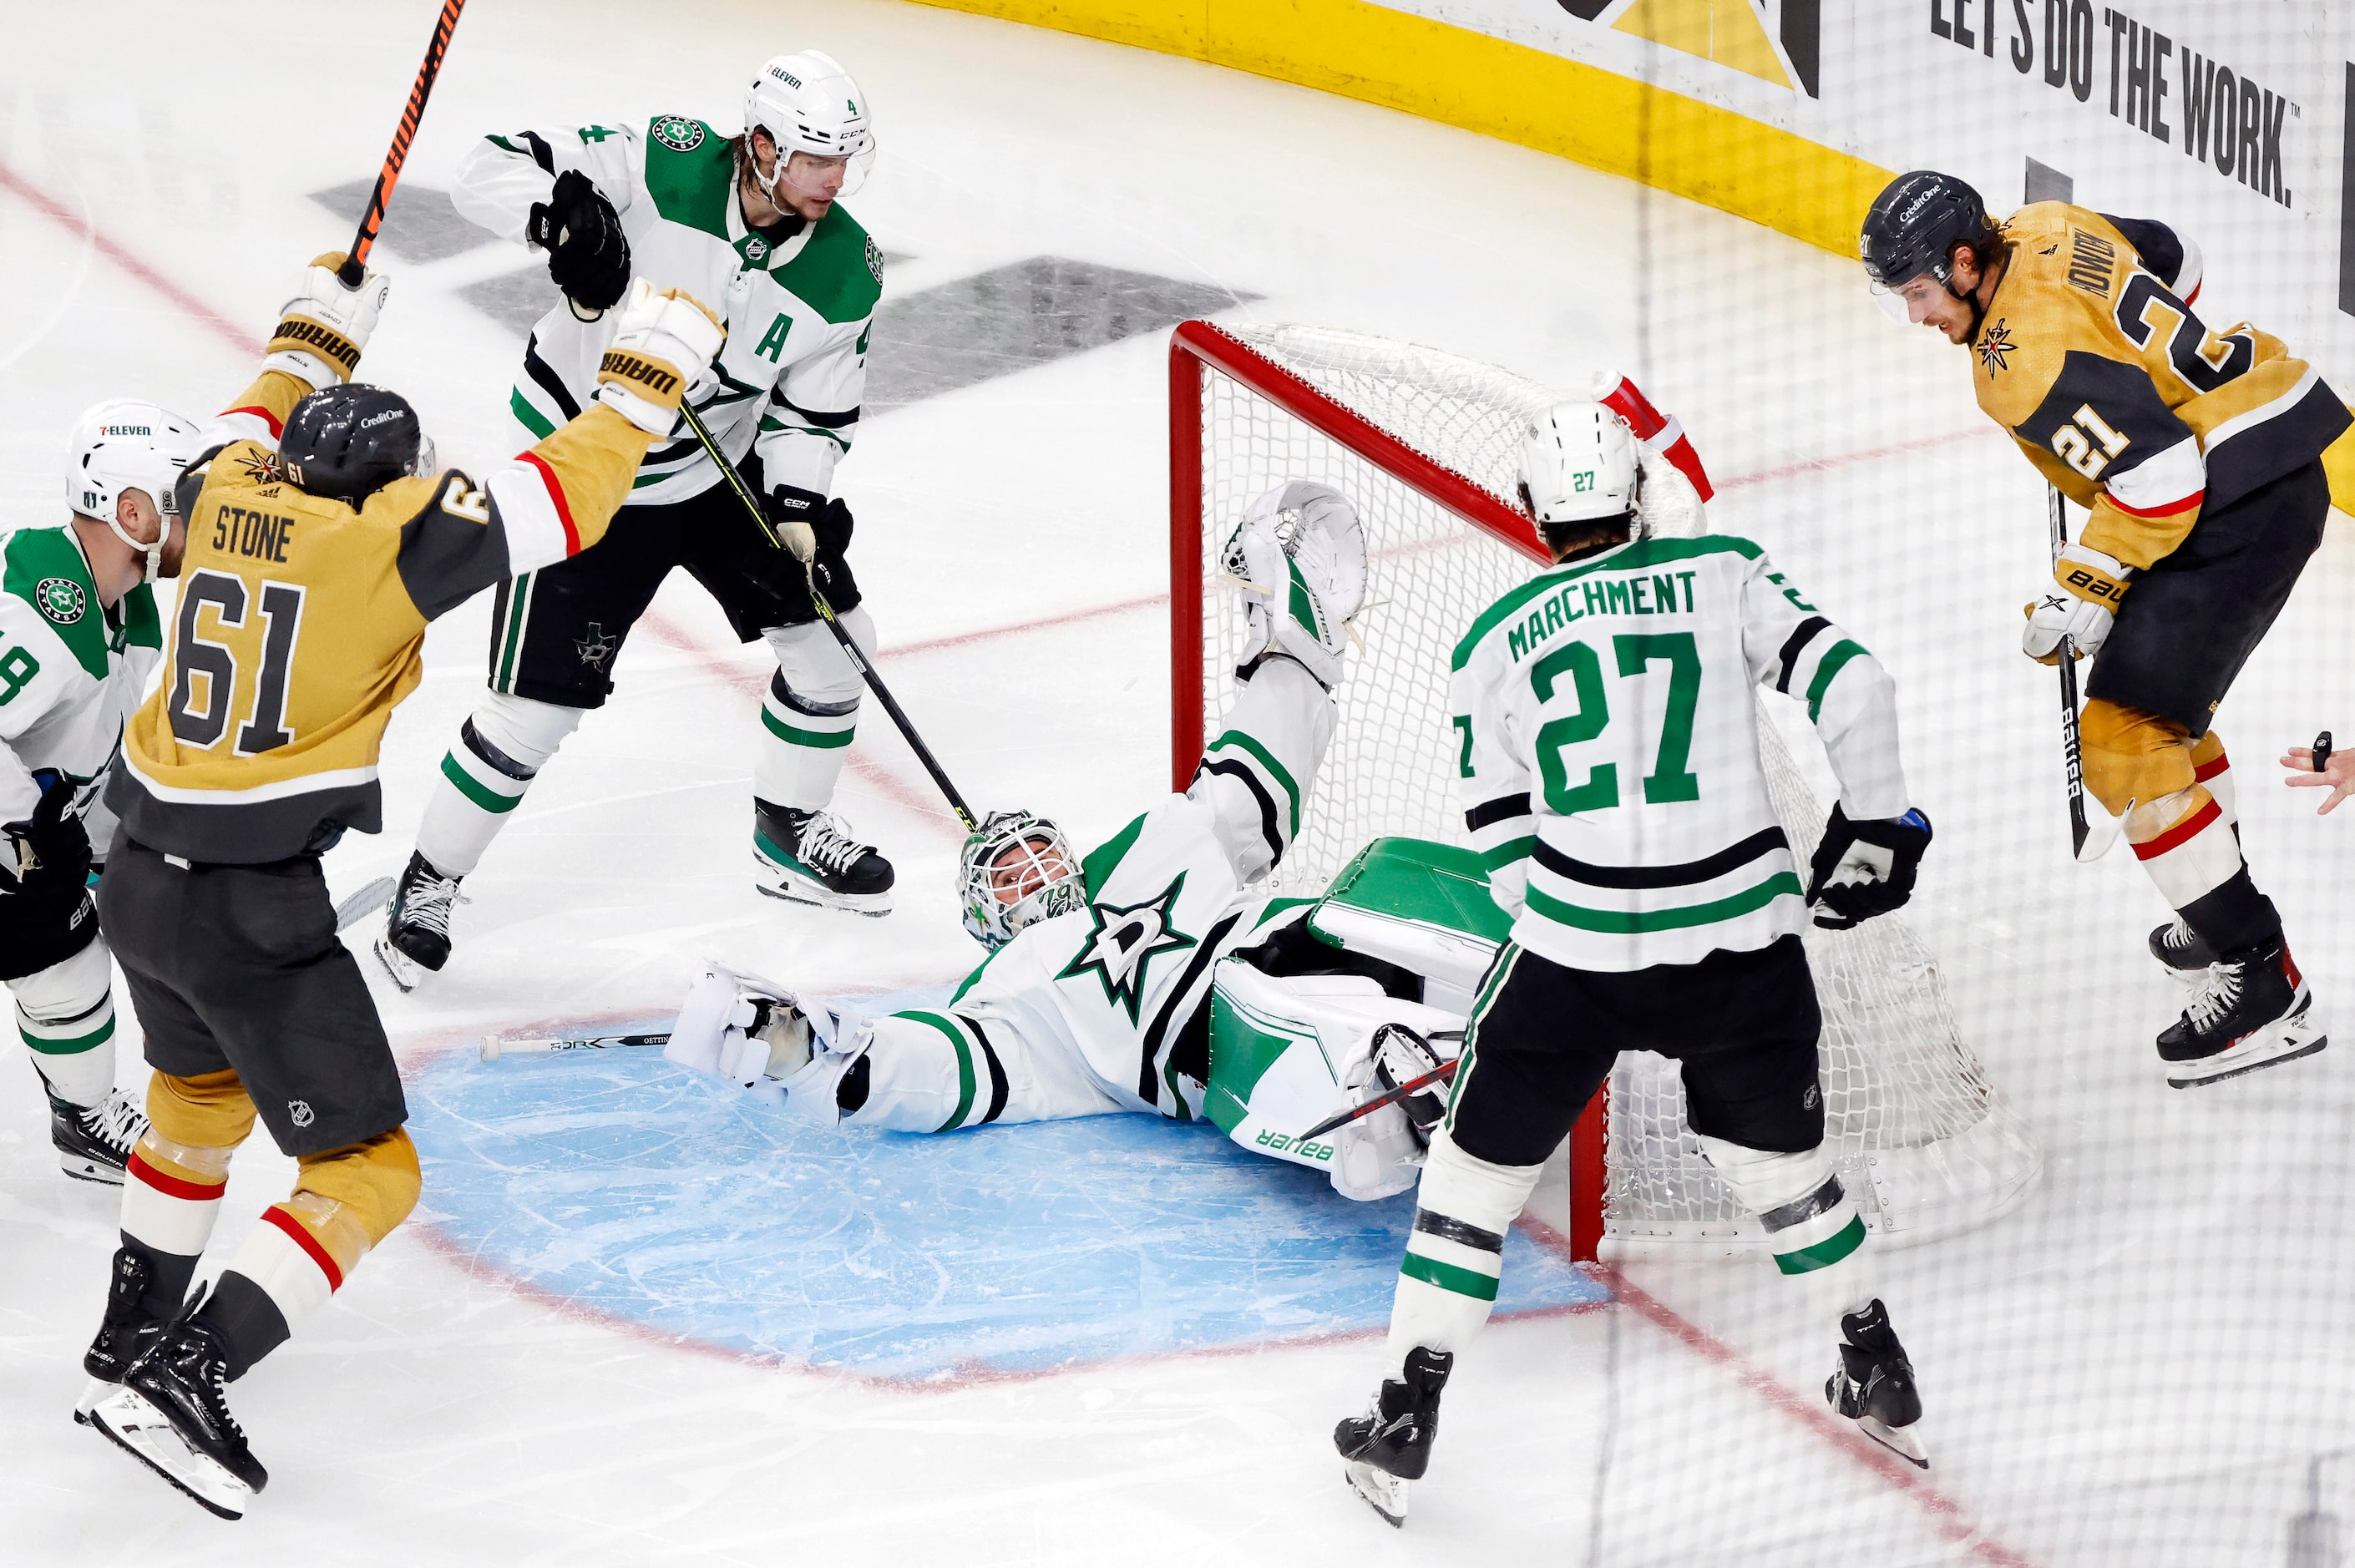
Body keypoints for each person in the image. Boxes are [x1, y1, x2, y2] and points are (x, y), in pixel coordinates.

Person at [78, 251, 723, 1519]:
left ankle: (125, 1339)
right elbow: (564, 499)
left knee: (196, 1106)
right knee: (371, 1172)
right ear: (388, 477)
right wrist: (647, 378)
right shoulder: (385, 542)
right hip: (246, 903)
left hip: (137, 877)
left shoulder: (218, 487)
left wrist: (316, 329)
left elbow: (253, 409)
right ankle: (185, 1374)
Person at [1333, 401, 1935, 1526]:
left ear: (1529, 509)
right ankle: (1875, 1356)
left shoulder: (1490, 642)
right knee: (1783, 1174)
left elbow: (1509, 855)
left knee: (1473, 1182)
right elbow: (1860, 686)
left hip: (1575, 958)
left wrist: (1582, 926)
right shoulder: (1724, 568)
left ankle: (1405, 1409)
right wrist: (1881, 824)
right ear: (1638, 493)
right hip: (1746, 946)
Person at [660, 481, 1477, 1196]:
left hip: (1295, 933)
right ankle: (1395, 1084)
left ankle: (1534, 965)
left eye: (1036, 851)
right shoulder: (1011, 997)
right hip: (1217, 1038)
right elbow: (938, 1072)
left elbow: (1258, 769)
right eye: (1005, 874)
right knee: (1268, 1009)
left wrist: (1295, 646)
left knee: (1394, 875)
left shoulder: (1158, 848)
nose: (1034, 870)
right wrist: (807, 1047)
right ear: (986, 921)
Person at [378, 48, 891, 990]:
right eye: (818, 159)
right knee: (530, 715)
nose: (835, 180)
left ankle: (789, 830)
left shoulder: (847, 270)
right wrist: (558, 213)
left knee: (836, 647)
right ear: (764, 145)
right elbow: (485, 169)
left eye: (845, 161)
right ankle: (431, 880)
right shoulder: (665, 159)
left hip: (713, 464)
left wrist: (799, 512)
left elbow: (813, 411)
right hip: (583, 466)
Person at [1858, 170, 2344, 1087]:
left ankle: (2264, 981)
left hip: (2236, 501)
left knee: (2122, 736)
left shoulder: (2014, 364)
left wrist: (2086, 583)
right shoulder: (2048, 223)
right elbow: (2179, 262)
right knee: (2159, 713)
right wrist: (2117, 378)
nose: (1918, 316)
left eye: (1919, 292)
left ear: (1965, 266)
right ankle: (2216, 910)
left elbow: (2162, 483)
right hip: (2266, 451)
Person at [0, 402, 201, 1181]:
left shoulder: (130, 608)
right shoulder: (45, 610)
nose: (200, 519)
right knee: (60, 938)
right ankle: (83, 1116)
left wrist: (124, 852)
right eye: (182, 501)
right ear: (132, 511)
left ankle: (80, 1112)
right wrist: (26, 835)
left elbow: (88, 757)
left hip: (31, 819)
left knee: (76, 918)